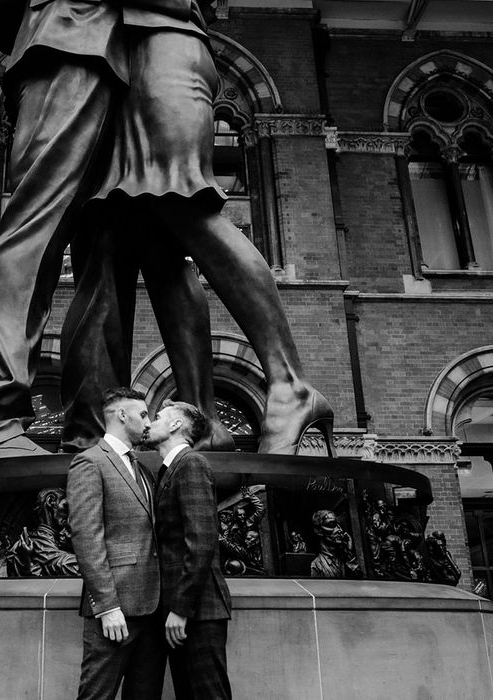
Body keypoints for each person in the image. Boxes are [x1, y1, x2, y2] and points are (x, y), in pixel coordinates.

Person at [0, 0, 233, 462]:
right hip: (70, 39)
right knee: (34, 227)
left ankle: (89, 433)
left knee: (103, 244)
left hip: (118, 58)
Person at [62, 0, 335, 457]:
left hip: (163, 40)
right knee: (150, 240)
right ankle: (204, 420)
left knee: (182, 202)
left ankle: (292, 385)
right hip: (122, 54)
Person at [66, 387, 165, 699]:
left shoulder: (142, 469)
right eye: (143, 414)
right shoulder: (90, 462)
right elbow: (86, 537)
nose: (148, 422)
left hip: (152, 609)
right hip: (115, 612)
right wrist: (107, 605)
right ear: (122, 415)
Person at [146, 399, 232, 700]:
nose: (149, 423)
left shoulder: (192, 464)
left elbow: (201, 541)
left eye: (157, 417)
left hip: (198, 612)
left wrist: (180, 609)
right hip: (181, 611)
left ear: (175, 425)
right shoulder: (169, 470)